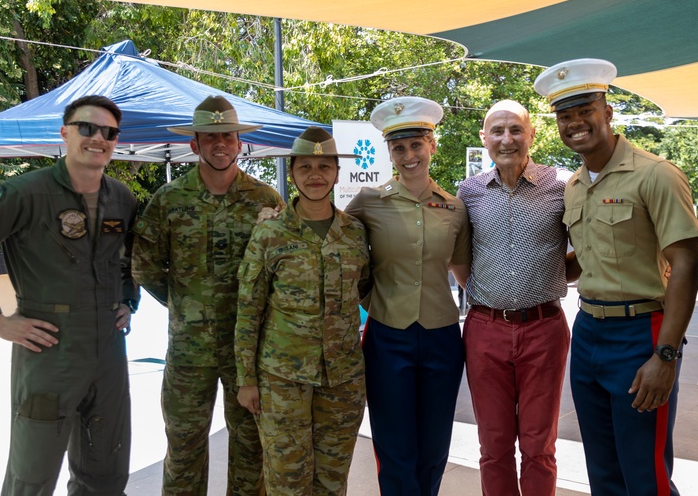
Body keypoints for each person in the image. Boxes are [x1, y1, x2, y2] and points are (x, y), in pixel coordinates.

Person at [0, 95, 139, 495]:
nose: (98, 138)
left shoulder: (123, 198)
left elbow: (130, 258)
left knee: (108, 466)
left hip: (108, 348)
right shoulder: (24, 193)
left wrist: (128, 301)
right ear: (64, 133)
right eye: (87, 128)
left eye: (109, 132)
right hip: (49, 346)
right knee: (33, 470)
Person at [534, 59, 698, 495]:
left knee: (645, 474)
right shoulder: (572, 186)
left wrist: (665, 355)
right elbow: (586, 260)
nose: (575, 123)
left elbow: (685, 263)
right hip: (588, 331)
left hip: (640, 334)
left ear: (608, 112)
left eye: (585, 109)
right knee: (603, 473)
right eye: (564, 116)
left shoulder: (656, 174)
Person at [132, 95, 283, 496]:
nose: (220, 144)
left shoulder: (265, 200)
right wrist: (186, 303)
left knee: (252, 450)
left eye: (228, 137)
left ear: (239, 143)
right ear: (195, 144)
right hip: (188, 351)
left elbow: (283, 268)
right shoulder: (169, 200)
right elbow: (145, 266)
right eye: (210, 137)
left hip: (248, 353)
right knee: (184, 451)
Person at [345, 96, 472, 495]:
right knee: (395, 446)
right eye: (399, 147)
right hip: (388, 337)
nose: (409, 155)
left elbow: (466, 273)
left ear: (432, 145)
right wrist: (370, 298)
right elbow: (334, 243)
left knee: (434, 447)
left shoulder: (455, 208)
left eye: (417, 144)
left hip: (441, 338)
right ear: (389, 152)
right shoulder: (369, 202)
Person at [234, 127, 371, 495]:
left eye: (325, 166)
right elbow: (249, 308)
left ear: (337, 174)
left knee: (332, 480)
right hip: (281, 380)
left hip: (341, 379)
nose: (315, 175)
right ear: (292, 172)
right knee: (286, 480)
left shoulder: (355, 232)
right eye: (306, 166)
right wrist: (246, 379)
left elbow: (365, 290)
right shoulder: (270, 233)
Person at [452, 100, 575, 495]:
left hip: (544, 329)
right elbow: (461, 259)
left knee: (540, 446)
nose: (507, 139)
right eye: (498, 131)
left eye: (516, 130)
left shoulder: (562, 187)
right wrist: (490, 295)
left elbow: (587, 249)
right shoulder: (468, 192)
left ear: (531, 134)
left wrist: (551, 276)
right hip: (485, 330)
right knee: (493, 445)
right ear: (484, 138)